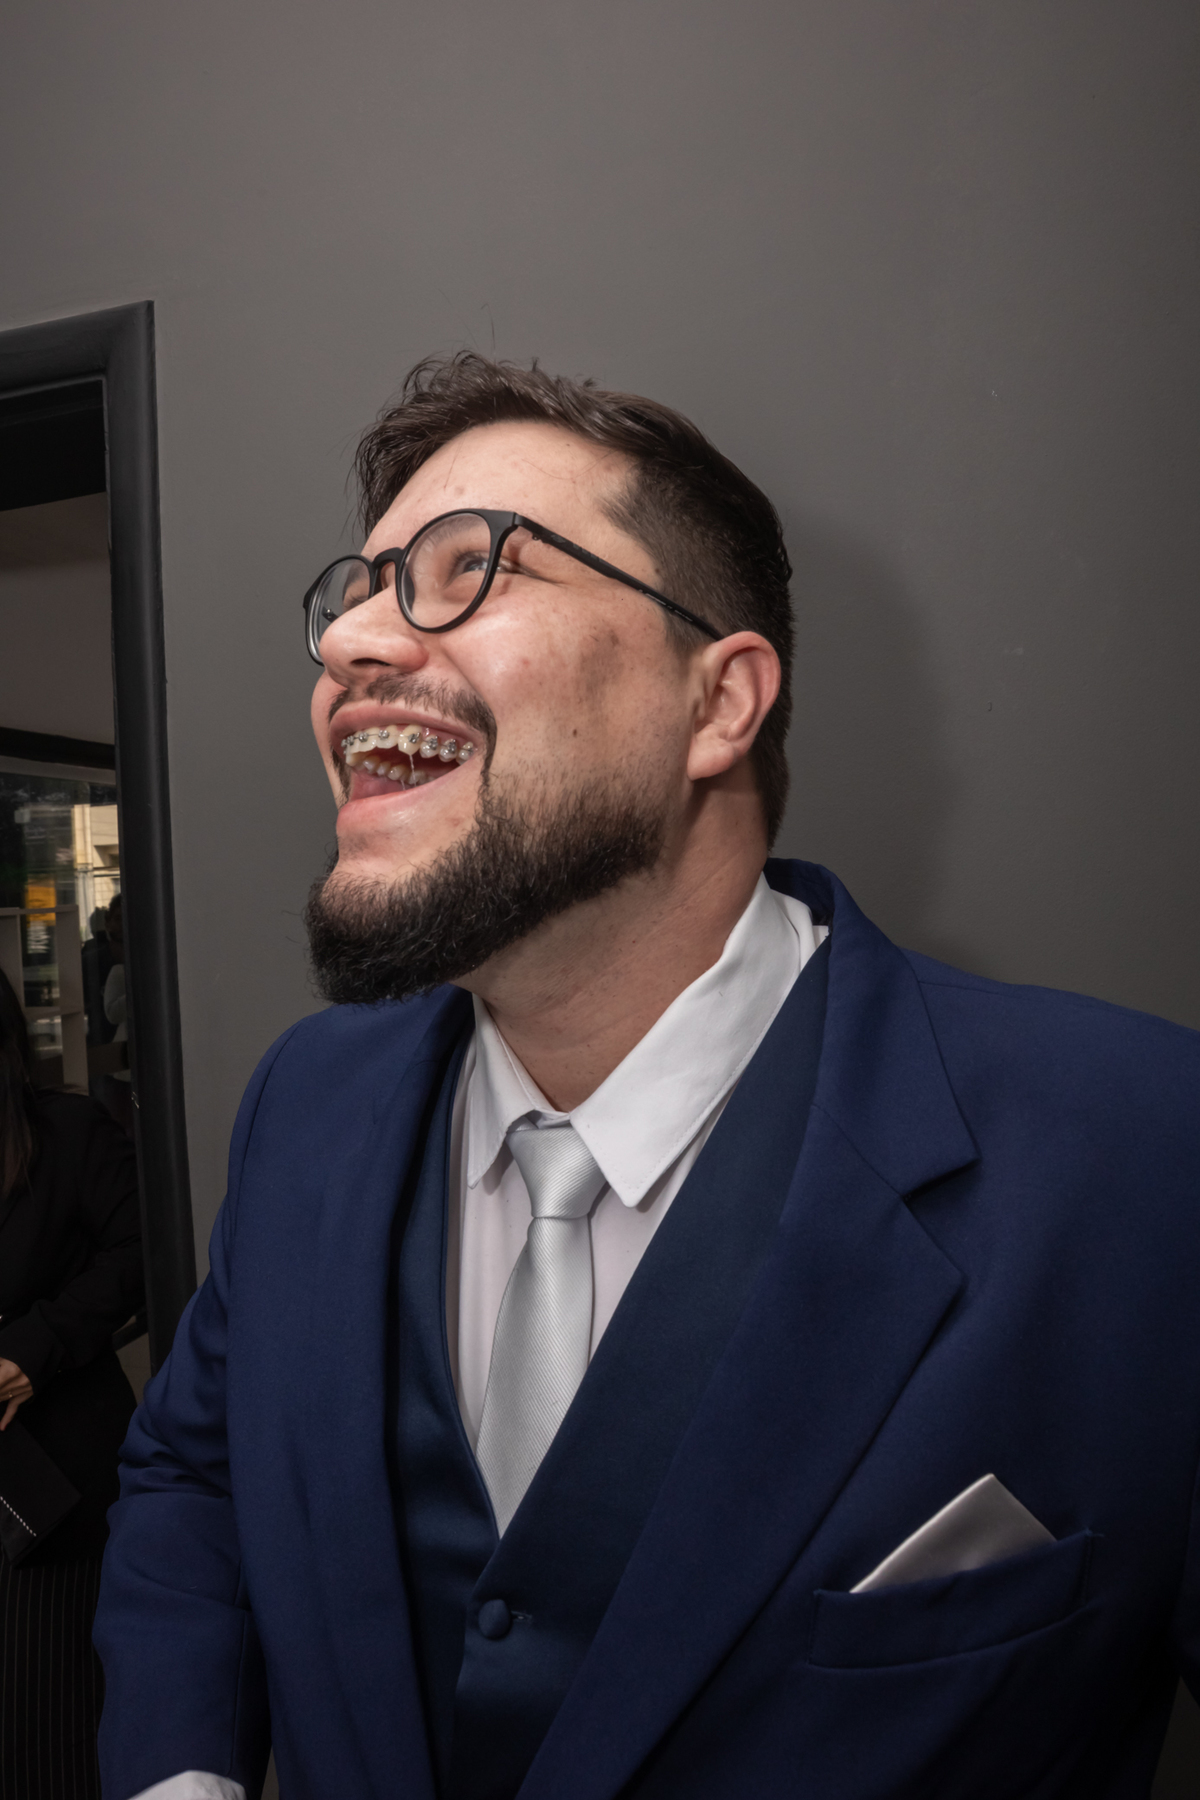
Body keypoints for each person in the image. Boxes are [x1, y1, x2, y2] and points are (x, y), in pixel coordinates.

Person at [95, 355, 1200, 1800]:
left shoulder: (1143, 1158)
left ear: (719, 702)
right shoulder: (307, 1105)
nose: (352, 640)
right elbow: (197, 1480)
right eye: (356, 592)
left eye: (470, 569)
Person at [0, 965, 144, 1798]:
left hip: (52, 1486)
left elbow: (142, 1254)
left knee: (49, 1730)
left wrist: (33, 1351)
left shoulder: (66, 1132)